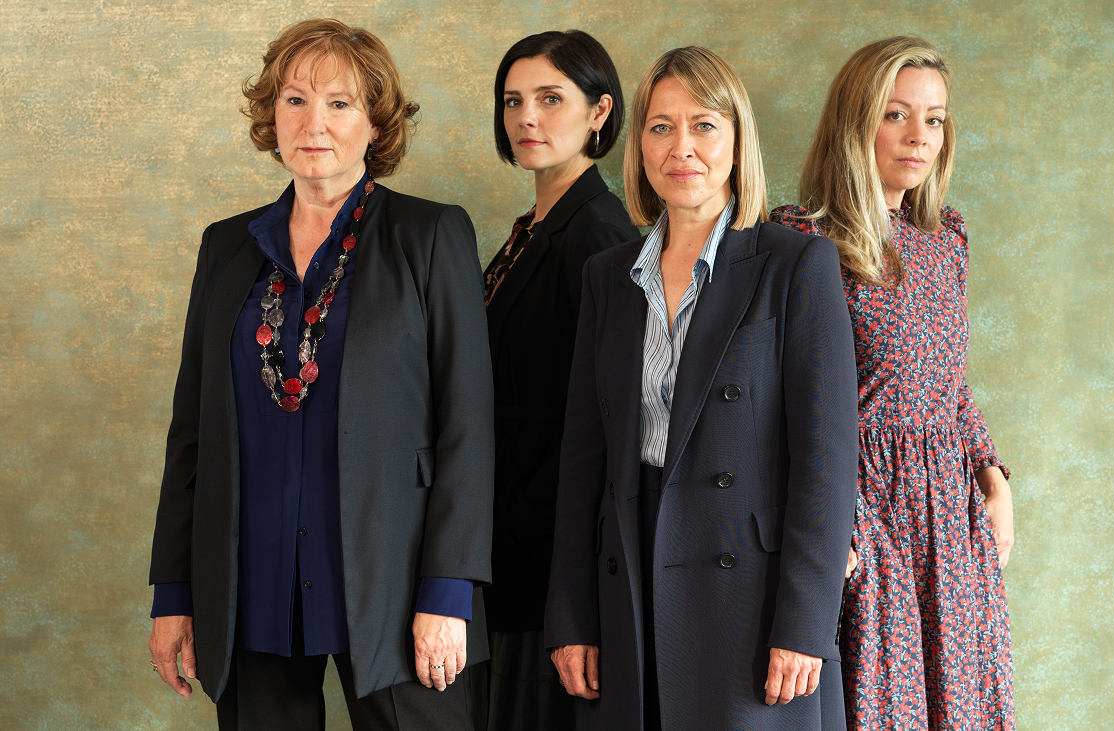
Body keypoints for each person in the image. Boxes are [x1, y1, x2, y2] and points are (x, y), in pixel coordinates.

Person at [146, 19, 494, 730]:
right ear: (271, 116)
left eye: (340, 103)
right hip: (250, 582)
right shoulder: (225, 247)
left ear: (376, 122)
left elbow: (468, 424)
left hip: (396, 583)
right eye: (295, 99)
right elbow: (193, 435)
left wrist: (449, 590)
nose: (314, 122)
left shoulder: (430, 236)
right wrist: (174, 592)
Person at [544, 46, 860, 731]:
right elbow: (581, 462)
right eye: (661, 127)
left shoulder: (795, 263)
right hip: (627, 578)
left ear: (737, 139)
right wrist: (569, 616)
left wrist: (805, 622)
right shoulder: (608, 276)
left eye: (704, 125)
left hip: (750, 597)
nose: (681, 146)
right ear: (638, 146)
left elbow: (827, 463)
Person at [770, 36, 1015, 730]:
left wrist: (995, 476)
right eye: (896, 114)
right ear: (855, 122)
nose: (919, 137)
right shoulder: (801, 240)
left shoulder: (947, 238)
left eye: (934, 119)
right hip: (861, 507)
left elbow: (952, 382)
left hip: (952, 513)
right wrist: (837, 524)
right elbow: (790, 403)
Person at [473, 30, 638, 731]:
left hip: (546, 549)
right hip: (506, 541)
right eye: (513, 101)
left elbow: (607, 417)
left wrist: (521, 517)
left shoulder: (599, 237)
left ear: (599, 112)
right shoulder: (533, 228)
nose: (526, 118)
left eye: (550, 98)